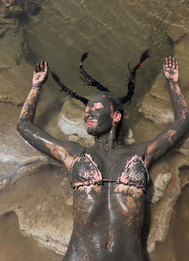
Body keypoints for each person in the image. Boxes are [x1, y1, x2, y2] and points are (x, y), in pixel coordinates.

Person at [17, 55, 189, 261]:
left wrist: (172, 83)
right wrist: (36, 87)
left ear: (116, 116)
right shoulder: (74, 153)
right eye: (87, 109)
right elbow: (24, 126)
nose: (87, 113)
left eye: (95, 108)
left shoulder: (142, 153)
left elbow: (182, 123)